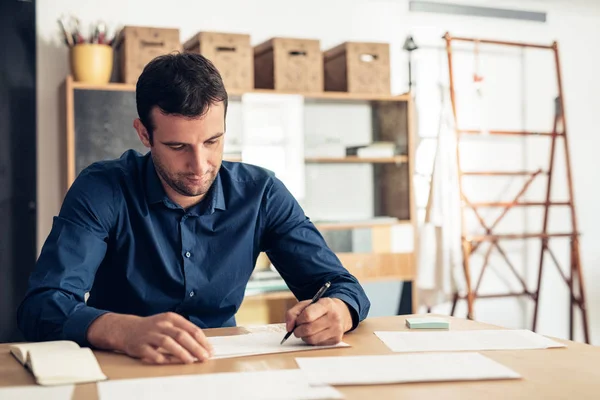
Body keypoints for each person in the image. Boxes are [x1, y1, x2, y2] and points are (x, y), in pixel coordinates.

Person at [17, 52, 370, 365]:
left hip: (223, 368)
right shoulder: (103, 188)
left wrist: (338, 309)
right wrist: (120, 330)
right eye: (177, 146)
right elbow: (42, 306)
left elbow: (341, 286)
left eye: (212, 141)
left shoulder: (261, 193)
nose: (199, 164)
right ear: (144, 134)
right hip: (122, 368)